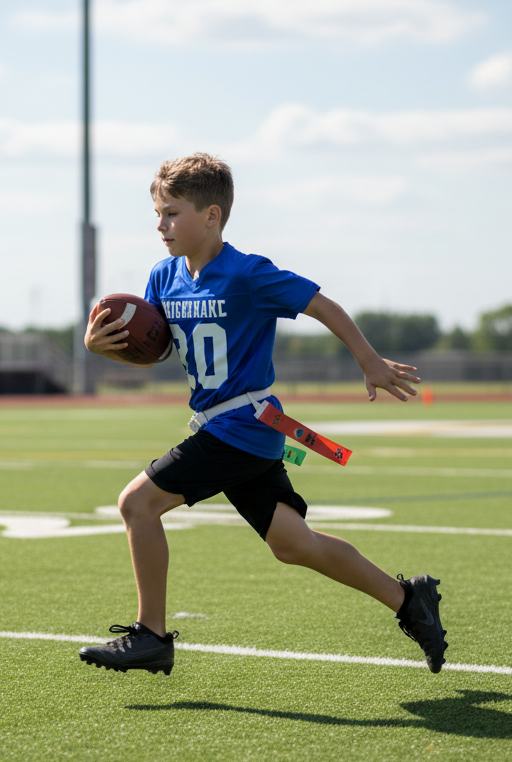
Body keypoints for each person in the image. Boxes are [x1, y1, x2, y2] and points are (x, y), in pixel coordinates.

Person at [79, 153, 447, 676]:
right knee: (293, 544)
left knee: (137, 505)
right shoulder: (164, 277)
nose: (160, 225)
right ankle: (409, 600)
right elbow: (155, 345)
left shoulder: (249, 273)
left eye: (172, 213)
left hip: (242, 425)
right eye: (157, 214)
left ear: (211, 215)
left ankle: (152, 635)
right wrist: (103, 346)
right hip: (232, 428)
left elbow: (323, 305)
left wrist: (369, 361)